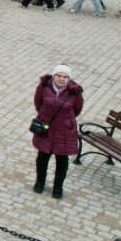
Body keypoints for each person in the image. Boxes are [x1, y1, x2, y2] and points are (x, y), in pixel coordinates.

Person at [31, 66, 83, 199]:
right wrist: (44, 116)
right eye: (59, 75)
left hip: (64, 130)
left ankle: (58, 187)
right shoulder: (43, 88)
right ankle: (40, 182)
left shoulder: (75, 93)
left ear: (69, 79)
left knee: (62, 160)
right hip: (46, 128)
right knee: (42, 157)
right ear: (53, 76)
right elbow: (38, 103)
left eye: (65, 77)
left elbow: (77, 109)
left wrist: (65, 121)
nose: (61, 79)